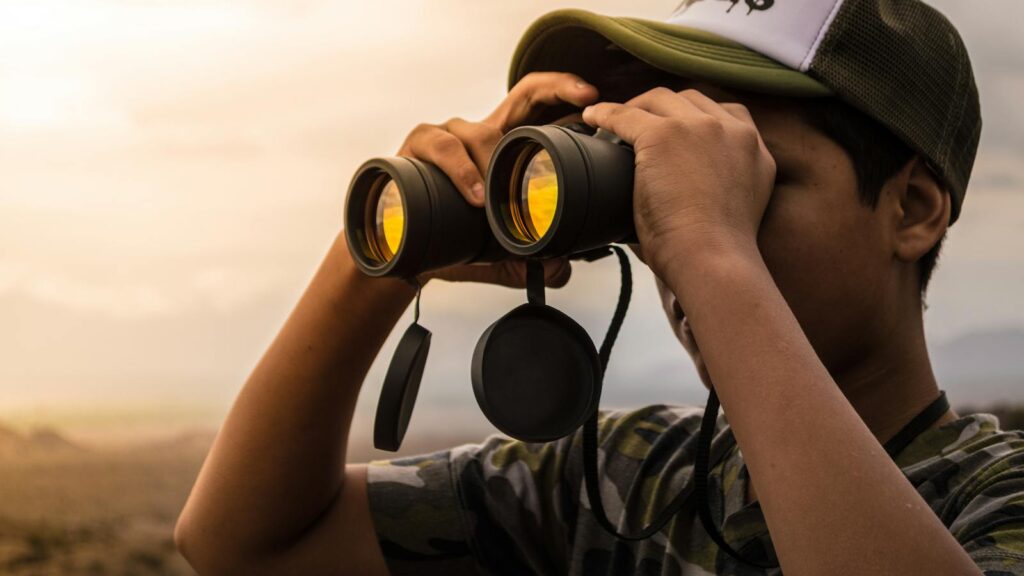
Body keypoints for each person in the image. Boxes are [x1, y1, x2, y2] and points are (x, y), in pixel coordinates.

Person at [175, 2, 1024, 575]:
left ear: (912, 208)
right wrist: (392, 246)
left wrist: (710, 248)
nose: (669, 220)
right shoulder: (624, 483)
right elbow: (244, 543)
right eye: (655, 173)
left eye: (746, 170)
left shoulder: (994, 499)